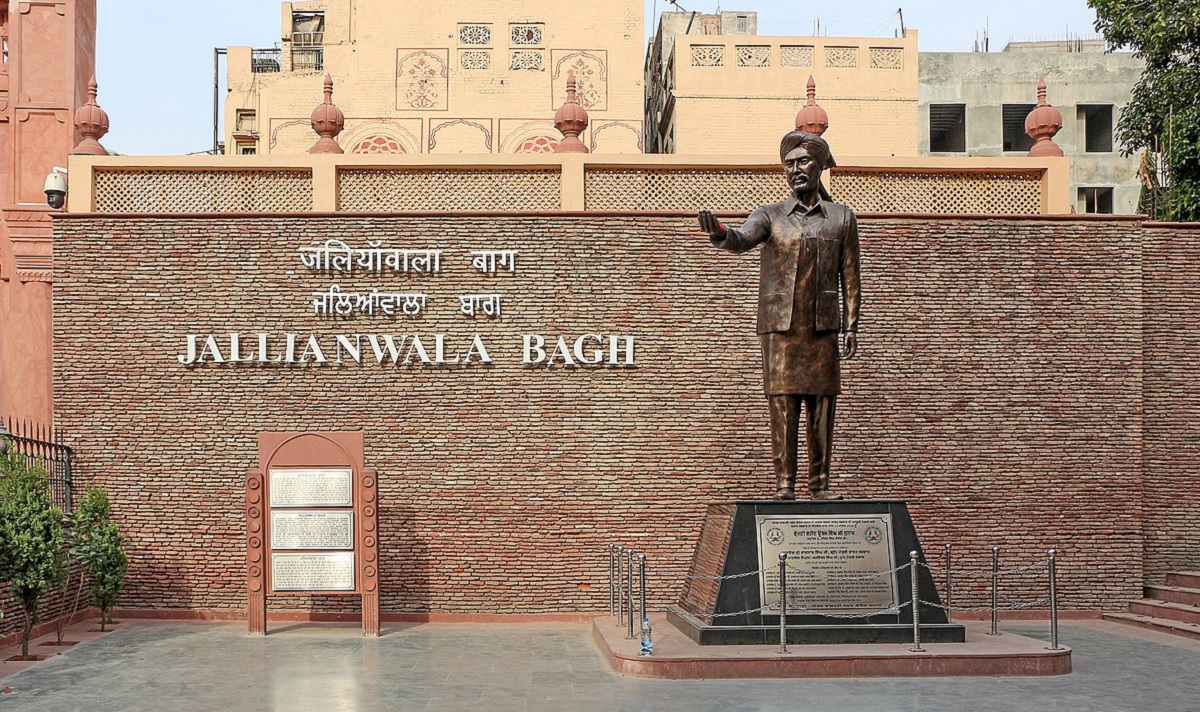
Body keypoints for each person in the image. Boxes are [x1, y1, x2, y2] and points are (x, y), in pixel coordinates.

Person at [698, 130, 861, 500]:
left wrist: (851, 325)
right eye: (789, 164)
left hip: (823, 329)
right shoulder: (770, 216)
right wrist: (721, 232)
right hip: (781, 329)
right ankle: (785, 486)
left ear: (820, 165)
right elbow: (742, 238)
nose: (796, 169)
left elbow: (850, 276)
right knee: (783, 407)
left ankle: (819, 487)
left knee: (821, 409)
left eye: (803, 161)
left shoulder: (842, 217)